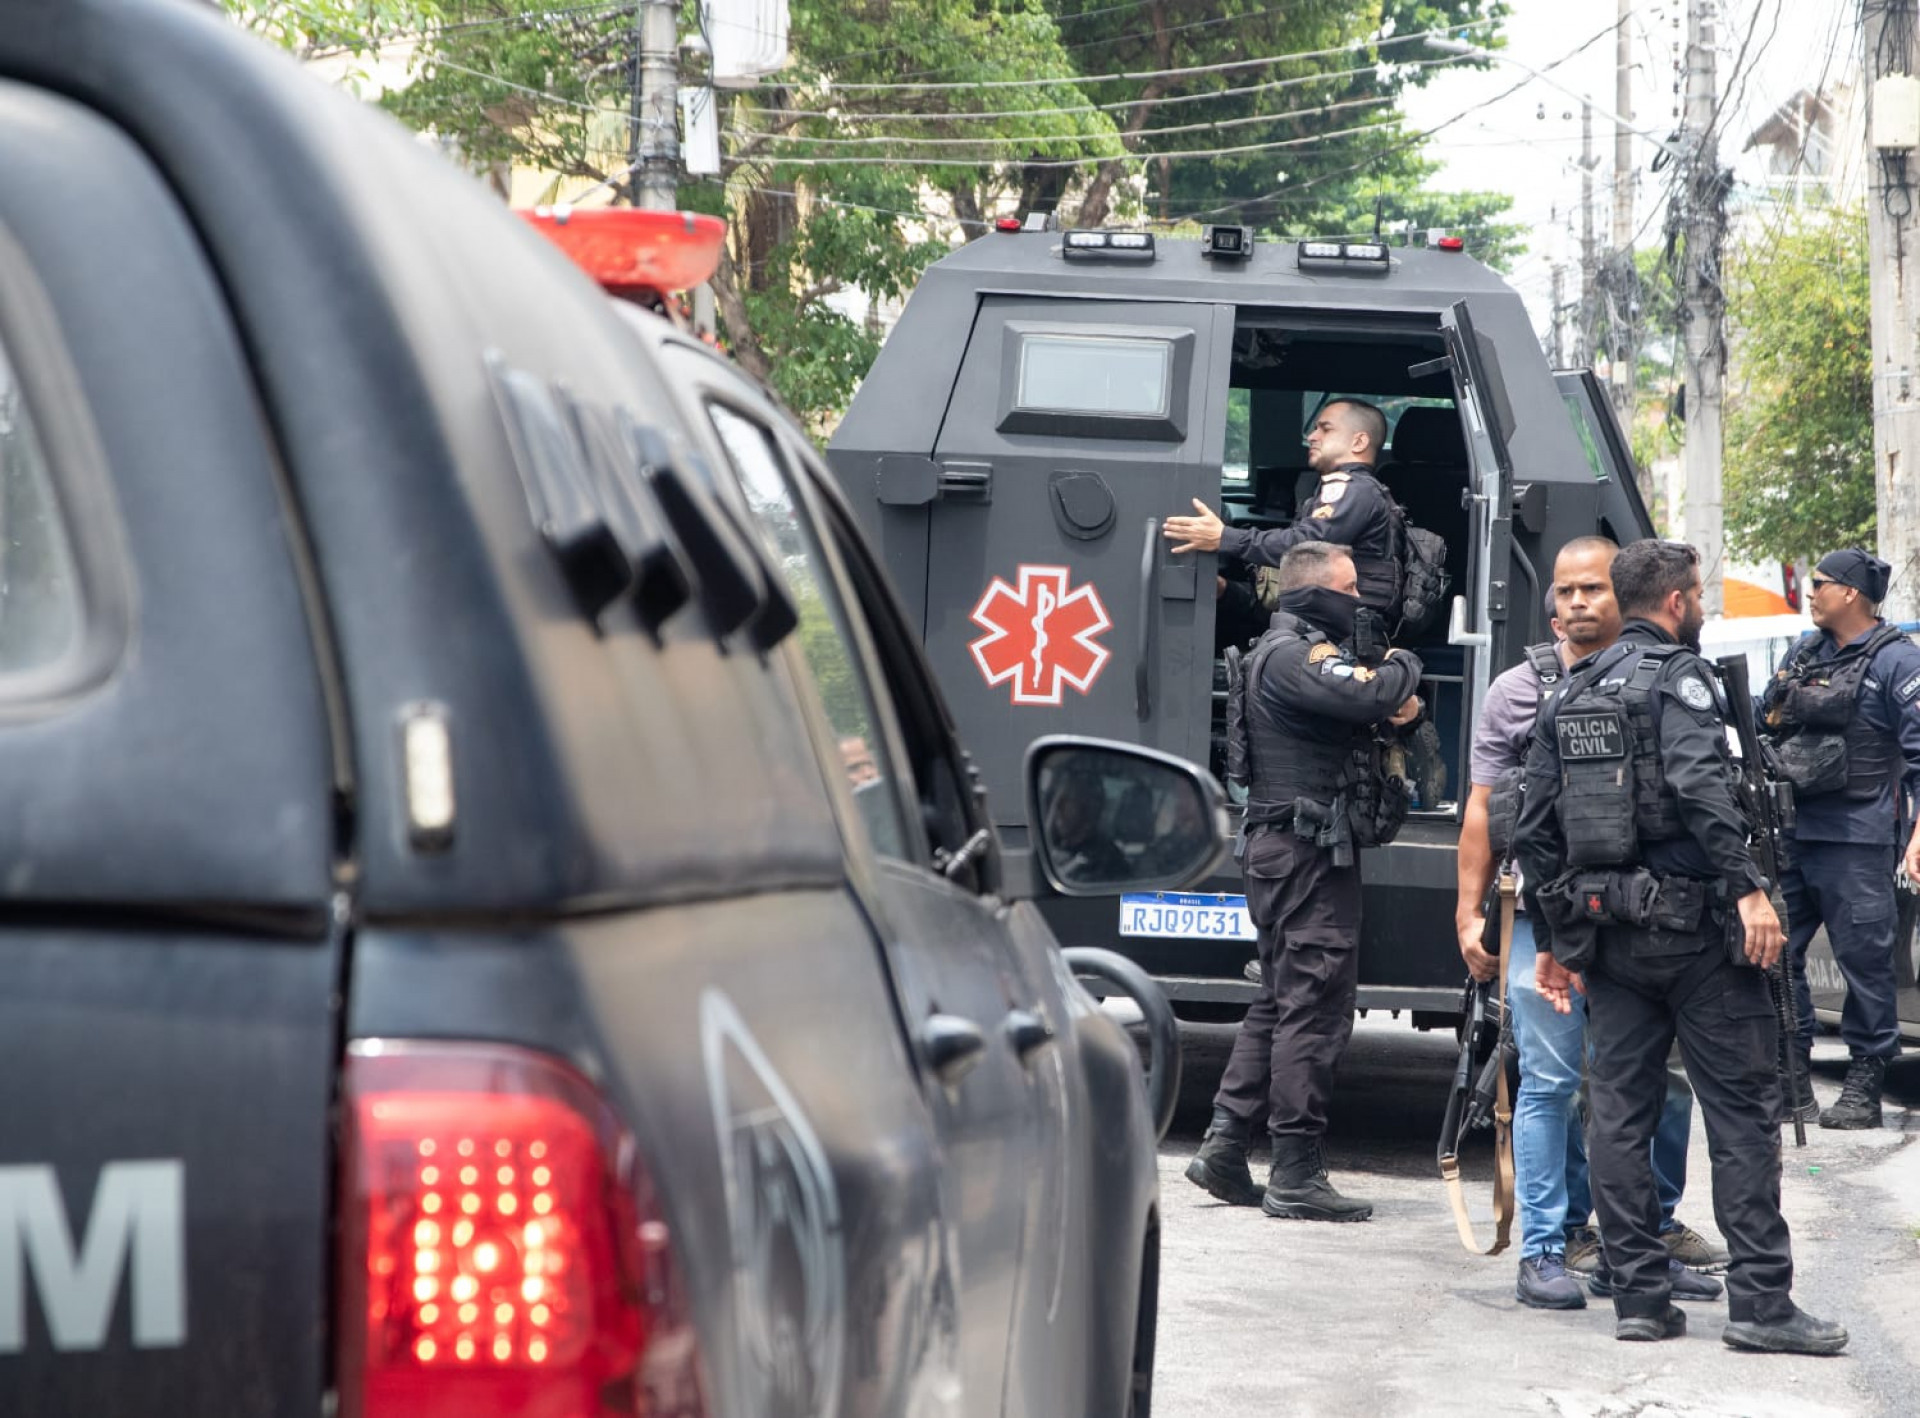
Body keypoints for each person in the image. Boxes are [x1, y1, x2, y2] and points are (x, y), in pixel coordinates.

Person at [1516, 539, 1846, 1352]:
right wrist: (1749, 887)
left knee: (1617, 1118)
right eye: (1696, 594)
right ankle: (1761, 1307)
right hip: (1701, 937)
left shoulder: (1571, 688)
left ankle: (1639, 1299)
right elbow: (1701, 785)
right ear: (1675, 602)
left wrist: (1558, 940)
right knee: (1741, 1117)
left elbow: (1533, 828)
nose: (1699, 607)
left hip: (1610, 941)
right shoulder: (1681, 678)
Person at [1455, 539, 1725, 1312]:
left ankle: (1641, 1239)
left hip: (1645, 921)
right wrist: (1467, 910)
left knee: (1657, 1086)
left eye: (1593, 588)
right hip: (1544, 914)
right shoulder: (1519, 690)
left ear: (1627, 594)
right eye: (1565, 590)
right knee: (1550, 1082)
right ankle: (1544, 1248)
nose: (1577, 602)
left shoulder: (1674, 678)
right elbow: (1485, 808)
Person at [1184, 541, 1422, 1222]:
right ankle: (1294, 1170)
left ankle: (1226, 1145)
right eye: (1349, 590)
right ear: (1315, 593)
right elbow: (1374, 692)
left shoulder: (1295, 653)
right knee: (1315, 1005)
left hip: (1290, 848)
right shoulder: (1294, 655)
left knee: (1279, 999)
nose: (1360, 601)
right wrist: (1405, 662)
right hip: (1305, 850)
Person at [1762, 548, 1920, 1130]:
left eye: (1820, 583)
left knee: (1865, 963)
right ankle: (1793, 1076)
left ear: (1851, 592)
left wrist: (1918, 835)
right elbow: (1766, 716)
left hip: (1858, 839)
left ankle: (1865, 1085)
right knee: (1773, 954)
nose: (1811, 592)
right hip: (1791, 831)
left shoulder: (1898, 660)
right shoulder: (1805, 653)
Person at [1163, 398, 1399, 613]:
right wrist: (1225, 590)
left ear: (1359, 442)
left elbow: (1305, 551)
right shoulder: (1350, 491)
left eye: (1325, 429)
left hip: (1344, 637)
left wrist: (1224, 538)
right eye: (1315, 428)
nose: (1312, 436)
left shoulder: (1356, 490)